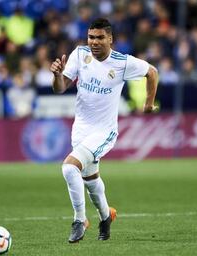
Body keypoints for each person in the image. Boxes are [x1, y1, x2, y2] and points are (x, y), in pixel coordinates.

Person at [50, 18, 158, 243]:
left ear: (110, 39)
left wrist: (148, 103)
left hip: (104, 131)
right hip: (80, 129)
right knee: (90, 180)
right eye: (91, 37)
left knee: (69, 168)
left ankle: (80, 220)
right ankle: (106, 216)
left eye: (100, 38)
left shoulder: (122, 62)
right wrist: (57, 76)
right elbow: (60, 89)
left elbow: (152, 71)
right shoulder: (79, 54)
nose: (94, 42)